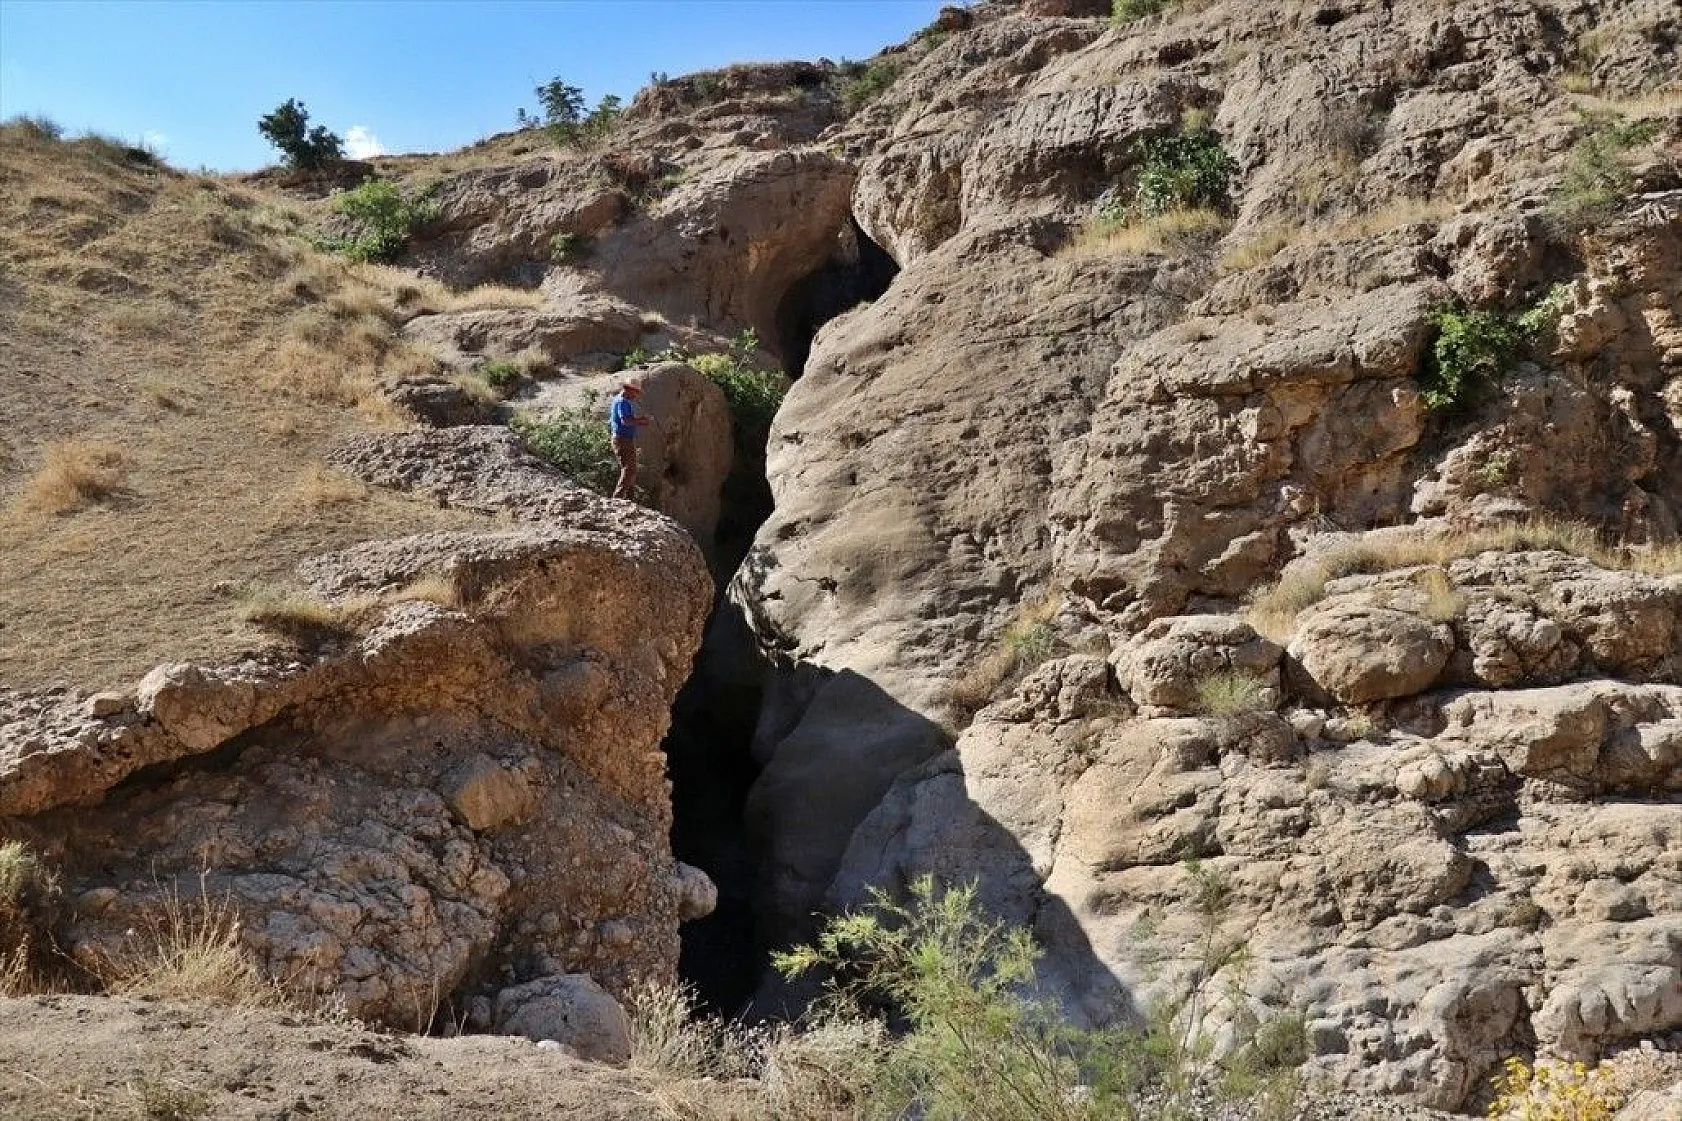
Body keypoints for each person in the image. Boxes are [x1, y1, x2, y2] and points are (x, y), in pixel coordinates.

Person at [609, 380, 650, 500]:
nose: (636, 395)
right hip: (623, 439)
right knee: (629, 469)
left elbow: (628, 419)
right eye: (635, 392)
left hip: (624, 438)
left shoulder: (620, 400)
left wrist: (640, 419)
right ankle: (617, 498)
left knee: (631, 469)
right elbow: (625, 421)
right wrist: (642, 422)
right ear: (629, 389)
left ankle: (629, 498)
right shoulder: (622, 402)